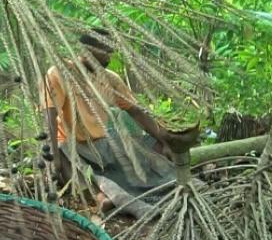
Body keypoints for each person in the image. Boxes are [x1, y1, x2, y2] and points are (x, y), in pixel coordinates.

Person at [40, 29, 197, 217]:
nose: (109, 56)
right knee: (73, 165)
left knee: (145, 159)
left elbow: (136, 112)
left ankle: (134, 193)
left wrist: (164, 142)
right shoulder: (59, 73)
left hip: (102, 144)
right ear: (85, 50)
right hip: (70, 144)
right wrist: (53, 157)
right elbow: (49, 115)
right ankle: (101, 197)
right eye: (105, 51)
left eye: (111, 51)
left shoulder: (111, 79)